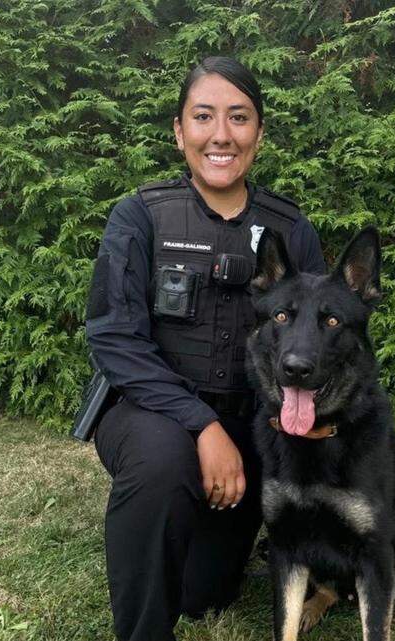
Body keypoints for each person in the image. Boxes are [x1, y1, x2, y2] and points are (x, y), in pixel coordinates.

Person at [85, 56, 327, 641]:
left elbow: (318, 335)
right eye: (203, 116)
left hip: (251, 426)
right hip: (151, 415)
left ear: (259, 134)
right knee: (162, 462)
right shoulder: (139, 216)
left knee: (204, 593)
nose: (221, 135)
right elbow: (114, 337)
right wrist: (203, 425)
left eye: (239, 118)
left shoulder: (292, 230)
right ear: (179, 131)